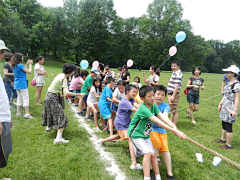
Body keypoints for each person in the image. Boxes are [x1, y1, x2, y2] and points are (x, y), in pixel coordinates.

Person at [127, 86, 186, 180]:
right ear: (142, 99)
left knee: (153, 154)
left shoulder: (153, 105)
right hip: (136, 135)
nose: (153, 98)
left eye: (153, 95)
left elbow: (163, 117)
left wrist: (176, 128)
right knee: (147, 154)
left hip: (145, 134)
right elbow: (158, 122)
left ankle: (158, 177)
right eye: (149, 96)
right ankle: (147, 178)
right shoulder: (143, 109)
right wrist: (175, 132)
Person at [98, 84, 143, 170]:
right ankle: (134, 163)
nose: (135, 93)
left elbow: (137, 105)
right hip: (121, 123)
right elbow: (135, 110)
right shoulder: (125, 102)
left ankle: (102, 141)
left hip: (125, 123)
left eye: (136, 92)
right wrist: (148, 113)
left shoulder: (131, 99)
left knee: (119, 135)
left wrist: (145, 108)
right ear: (127, 92)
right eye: (134, 92)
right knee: (130, 138)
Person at [41, 63, 85, 144]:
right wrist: (79, 94)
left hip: (49, 95)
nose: (73, 72)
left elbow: (57, 85)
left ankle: (49, 126)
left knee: (52, 113)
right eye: (73, 71)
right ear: (70, 71)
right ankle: (58, 139)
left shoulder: (61, 75)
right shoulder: (64, 78)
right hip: (52, 98)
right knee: (62, 117)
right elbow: (67, 92)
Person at [150, 85, 176, 180]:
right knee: (155, 147)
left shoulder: (165, 106)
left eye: (162, 95)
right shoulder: (150, 104)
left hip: (162, 130)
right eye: (158, 94)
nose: (160, 96)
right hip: (151, 129)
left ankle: (169, 173)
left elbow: (165, 117)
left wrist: (174, 127)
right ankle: (150, 170)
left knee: (165, 149)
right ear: (154, 94)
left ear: (165, 96)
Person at [215, 66, 240, 149]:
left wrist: (234, 110)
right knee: (224, 123)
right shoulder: (228, 83)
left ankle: (228, 144)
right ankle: (222, 139)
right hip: (224, 106)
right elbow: (225, 95)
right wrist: (220, 104)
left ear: (232, 74)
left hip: (230, 108)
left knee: (228, 125)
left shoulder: (237, 85)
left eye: (227, 72)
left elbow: (237, 99)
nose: (225, 74)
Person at [0, 39, 13, 174]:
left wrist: (7, 116)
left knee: (2, 151)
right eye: (1, 51)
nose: (2, 55)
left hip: (3, 118)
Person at [12, 53, 34, 119]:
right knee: (25, 98)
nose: (23, 58)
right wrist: (30, 65)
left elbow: (23, 70)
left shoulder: (15, 65)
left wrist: (26, 64)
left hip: (17, 85)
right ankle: (27, 114)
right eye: (22, 57)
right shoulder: (20, 65)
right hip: (22, 85)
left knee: (19, 98)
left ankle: (18, 112)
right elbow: (29, 72)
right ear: (19, 58)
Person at [167, 60, 183, 125]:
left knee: (174, 110)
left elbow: (177, 86)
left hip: (174, 94)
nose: (173, 67)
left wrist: (173, 96)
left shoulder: (178, 74)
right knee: (171, 110)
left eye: (174, 66)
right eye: (172, 66)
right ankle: (171, 123)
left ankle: (174, 124)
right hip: (170, 94)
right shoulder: (174, 73)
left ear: (178, 66)